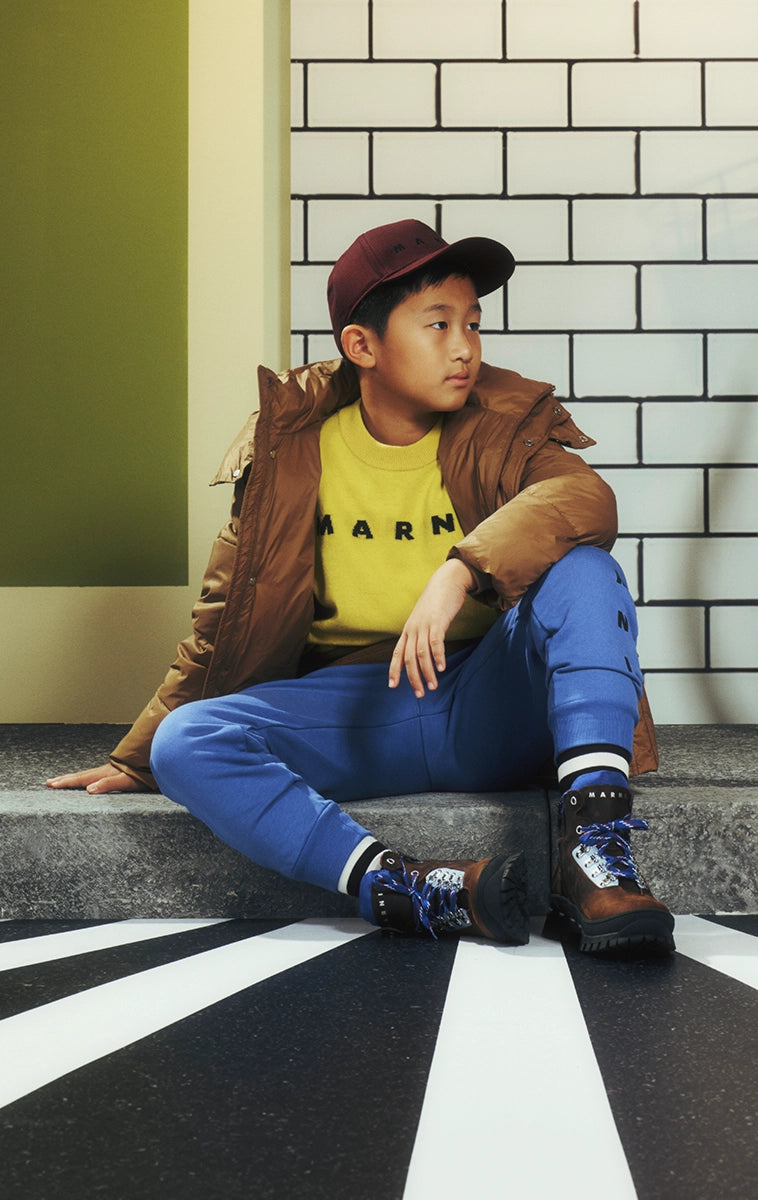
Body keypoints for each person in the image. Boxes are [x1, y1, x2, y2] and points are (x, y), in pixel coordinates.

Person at [48, 218, 674, 953]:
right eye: (438, 324)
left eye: (473, 323)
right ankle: (402, 888)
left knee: (585, 571)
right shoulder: (291, 450)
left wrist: (460, 570)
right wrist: (138, 754)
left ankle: (594, 853)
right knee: (186, 741)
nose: (465, 347)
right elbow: (224, 613)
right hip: (356, 713)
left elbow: (585, 501)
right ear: (362, 345)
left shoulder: (507, 423)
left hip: (490, 698)